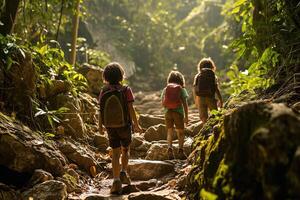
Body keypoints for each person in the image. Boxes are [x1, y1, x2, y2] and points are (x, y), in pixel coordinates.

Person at [98, 62, 142, 195]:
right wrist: (136, 124)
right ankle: (123, 172)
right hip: (124, 125)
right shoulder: (126, 90)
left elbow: (100, 110)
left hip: (110, 126)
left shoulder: (104, 91)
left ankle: (116, 181)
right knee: (125, 149)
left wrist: (100, 126)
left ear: (105, 76)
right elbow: (130, 108)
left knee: (115, 153)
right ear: (121, 76)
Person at [161, 70, 189, 160]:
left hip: (168, 113)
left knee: (169, 131)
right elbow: (185, 104)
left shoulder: (166, 89)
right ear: (181, 80)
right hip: (178, 113)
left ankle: (169, 148)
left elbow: (162, 103)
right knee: (180, 132)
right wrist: (186, 116)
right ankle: (180, 151)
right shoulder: (181, 89)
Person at [193, 57, 223, 123]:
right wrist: (220, 99)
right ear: (212, 66)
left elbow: (195, 89)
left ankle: (205, 129)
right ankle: (214, 128)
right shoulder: (213, 75)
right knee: (215, 114)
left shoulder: (198, 75)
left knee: (203, 117)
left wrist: (196, 100)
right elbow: (216, 88)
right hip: (211, 98)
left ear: (200, 66)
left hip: (201, 99)